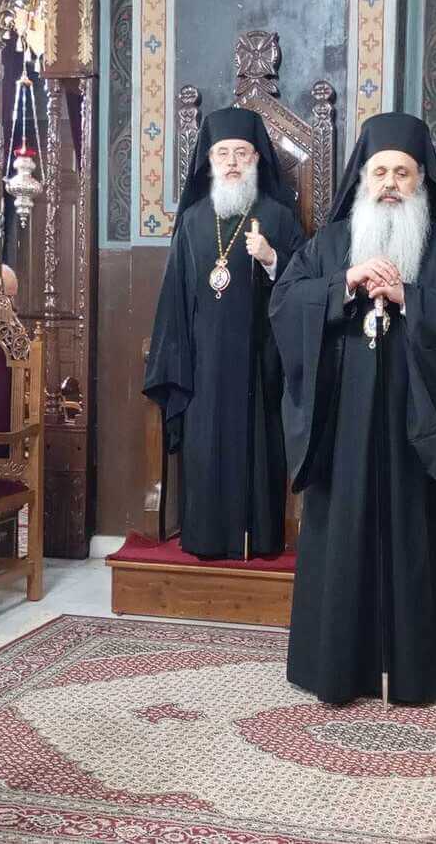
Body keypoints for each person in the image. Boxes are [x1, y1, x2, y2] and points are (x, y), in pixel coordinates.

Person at [270, 112, 436, 704]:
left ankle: (408, 671)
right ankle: (333, 669)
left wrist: (409, 297)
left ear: (422, 180)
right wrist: (344, 283)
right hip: (341, 422)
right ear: (363, 178)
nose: (391, 183)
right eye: (380, 172)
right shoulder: (330, 243)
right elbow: (284, 304)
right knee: (338, 538)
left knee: (409, 539)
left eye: (403, 173)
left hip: (414, 426)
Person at [144, 108, 302, 559]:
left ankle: (259, 538)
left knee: (257, 450)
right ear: (209, 161)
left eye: (241, 153)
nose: (232, 162)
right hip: (203, 366)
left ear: (257, 159)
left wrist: (272, 259)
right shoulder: (194, 221)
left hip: (260, 363)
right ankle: (205, 537)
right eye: (223, 154)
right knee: (205, 448)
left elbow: (307, 289)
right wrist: (174, 362)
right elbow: (174, 299)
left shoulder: (278, 218)